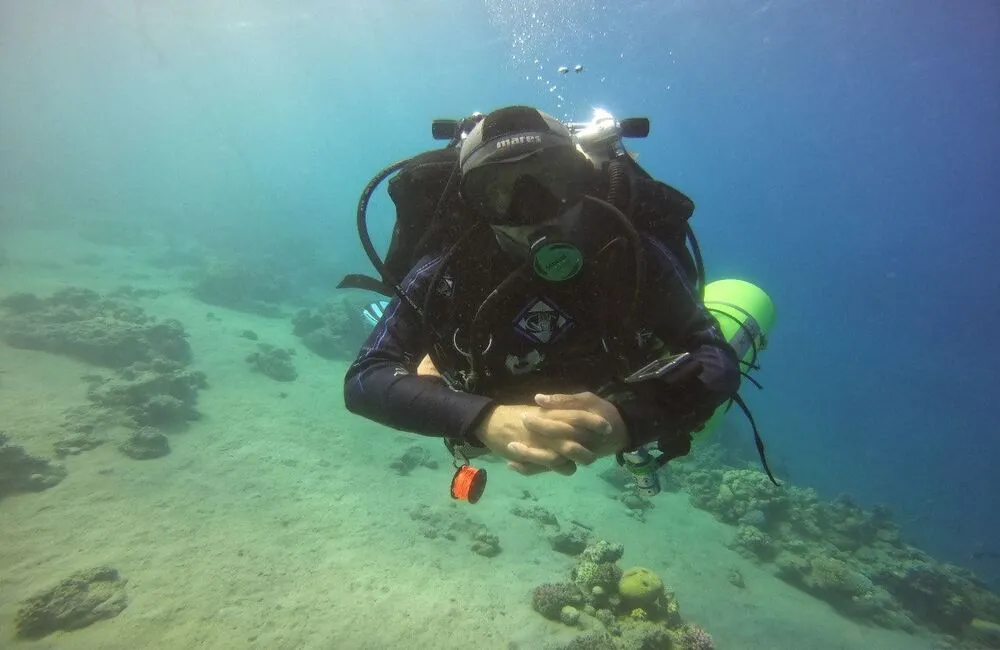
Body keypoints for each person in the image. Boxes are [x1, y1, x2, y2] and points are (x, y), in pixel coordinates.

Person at [343, 105, 742, 479]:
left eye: (553, 180)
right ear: (472, 202)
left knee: (697, 414)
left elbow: (716, 356)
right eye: (499, 192)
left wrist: (627, 419)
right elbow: (365, 378)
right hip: (489, 396)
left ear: (583, 179)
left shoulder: (627, 250)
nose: (533, 210)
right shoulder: (449, 265)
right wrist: (484, 419)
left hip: (616, 388)